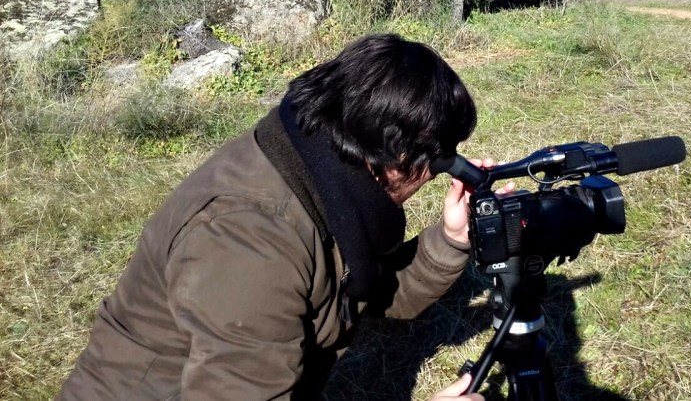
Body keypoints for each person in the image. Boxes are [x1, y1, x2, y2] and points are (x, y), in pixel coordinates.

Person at [58, 34, 488, 401]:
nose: (432, 177)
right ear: (394, 155)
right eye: (437, 162)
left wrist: (451, 239)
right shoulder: (247, 239)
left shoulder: (323, 172)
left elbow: (370, 292)